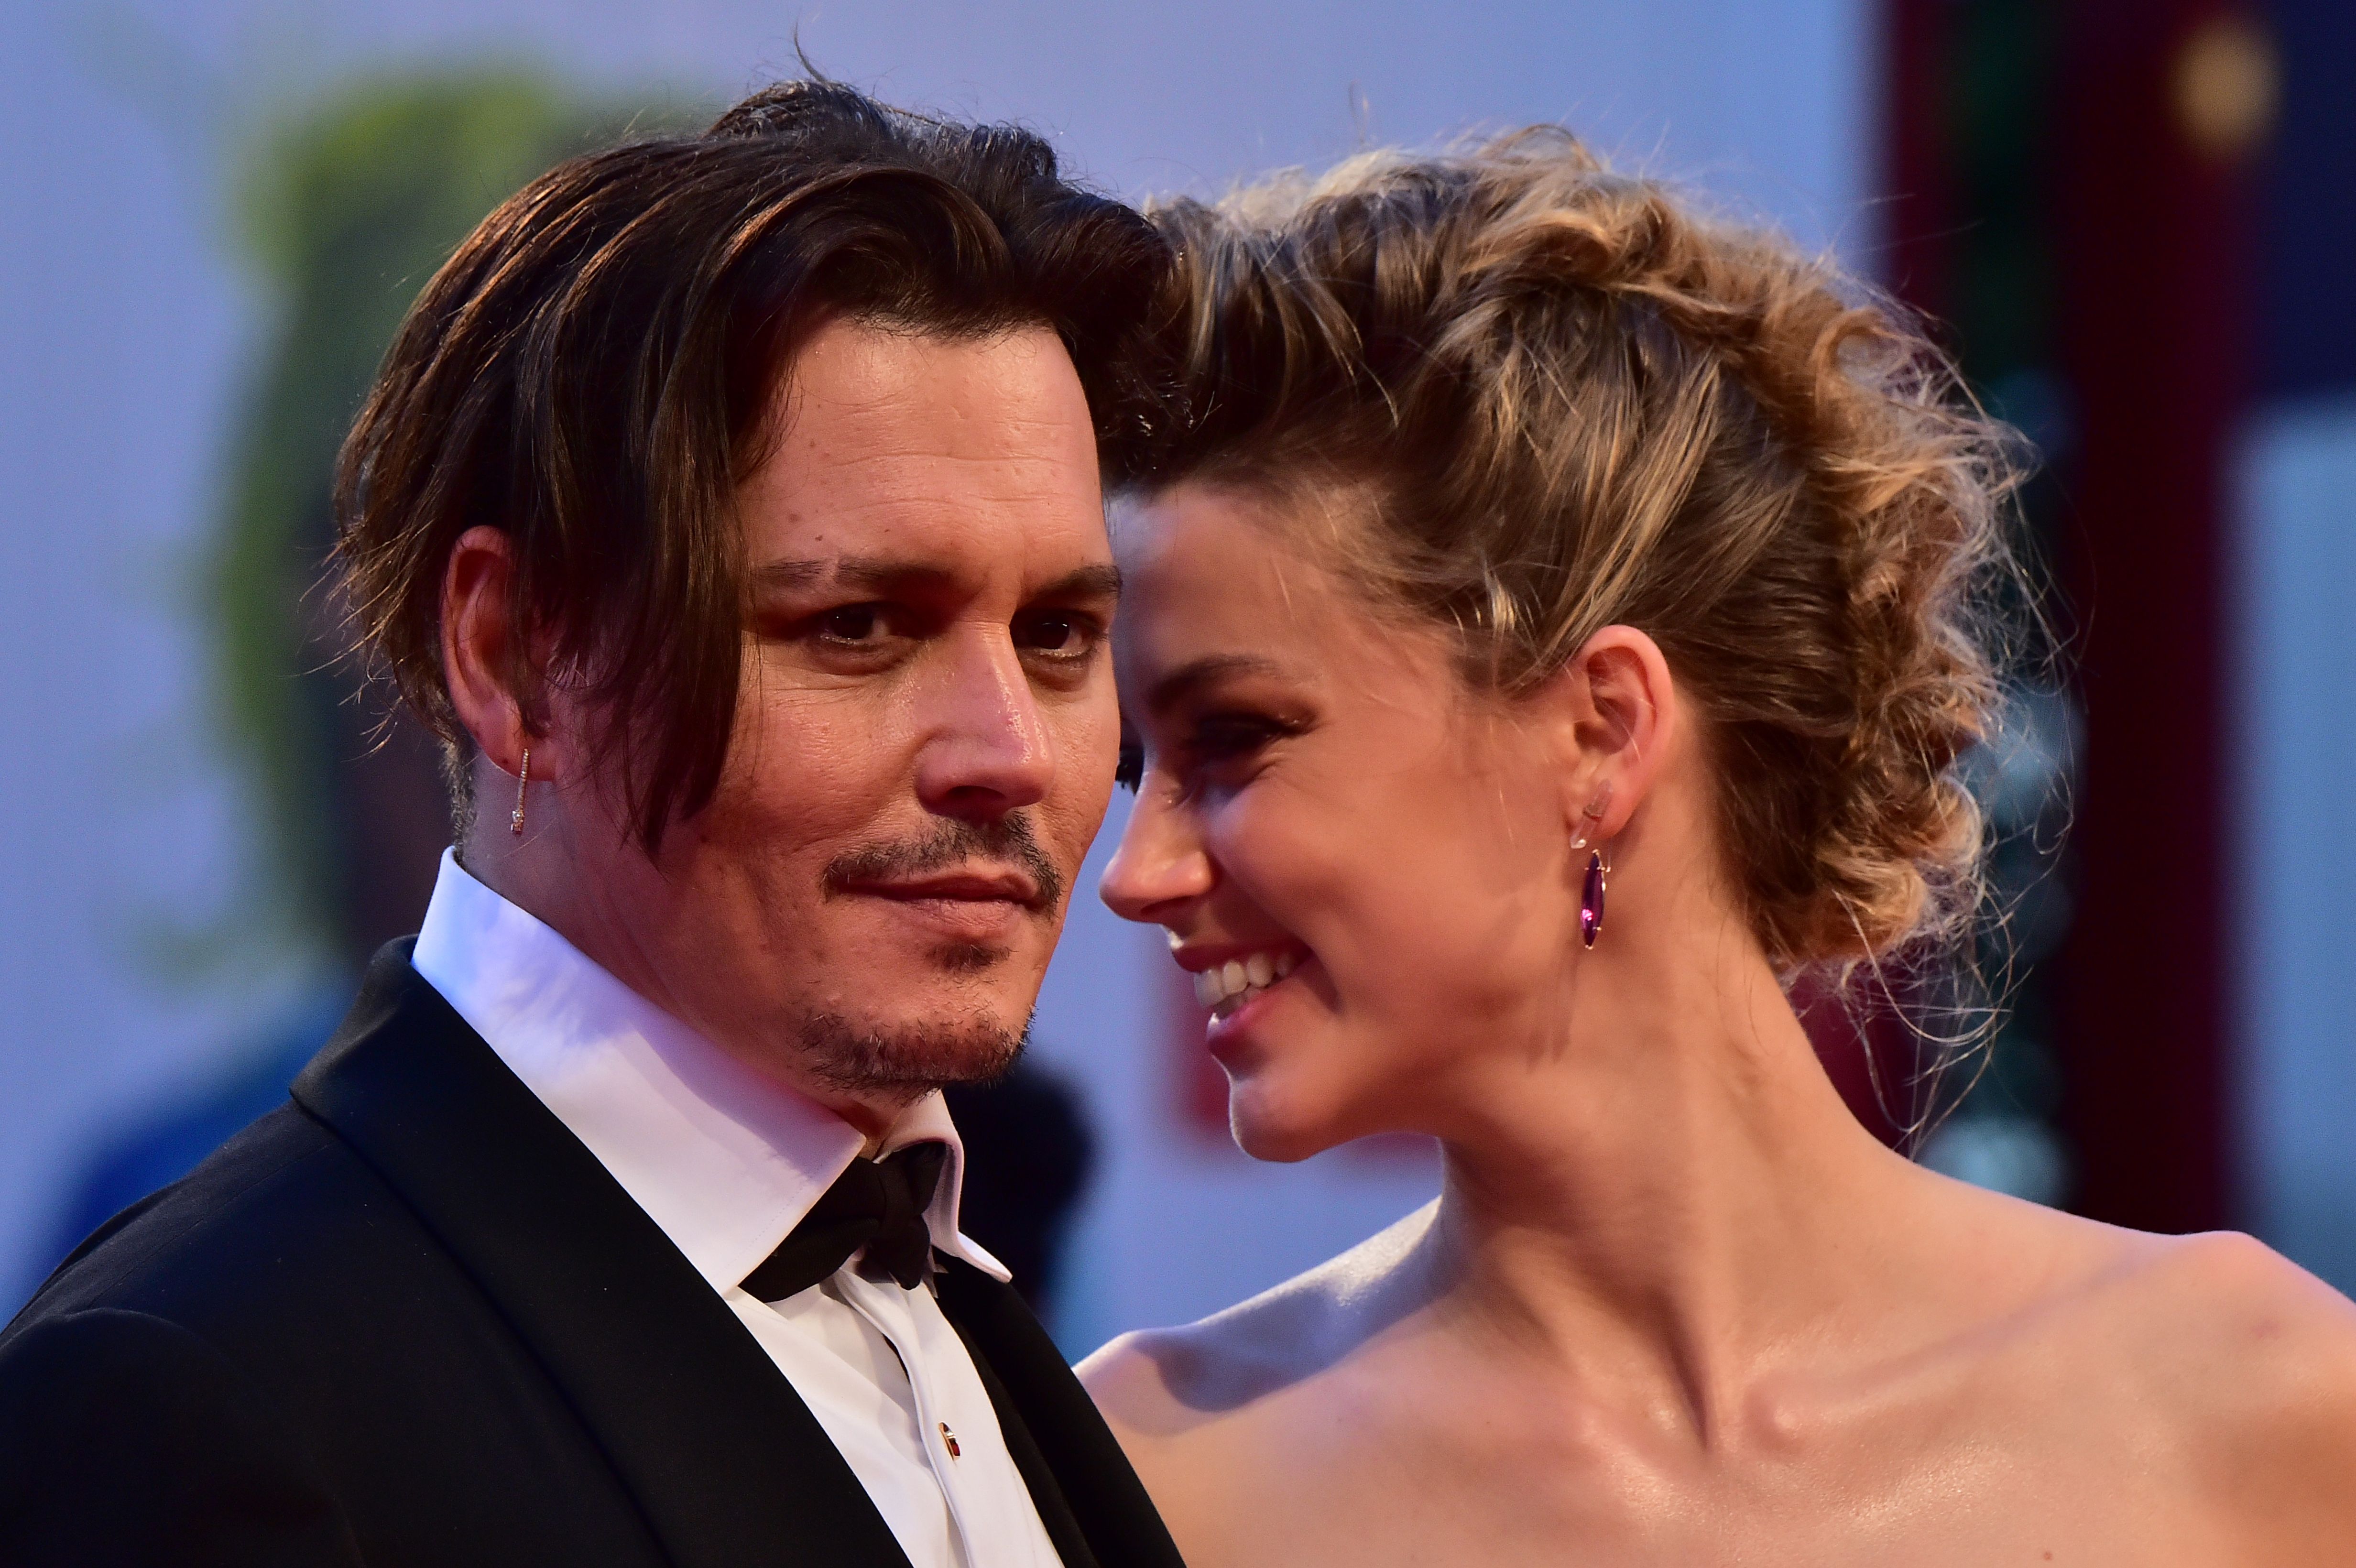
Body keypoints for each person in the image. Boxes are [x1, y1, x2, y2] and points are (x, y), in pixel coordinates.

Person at [1080, 132, 2356, 1564]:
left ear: (1601, 733)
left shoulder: (2255, 1408)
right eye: (1139, 768)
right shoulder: (1142, 1480)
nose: (1137, 874)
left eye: (1236, 739)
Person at [0, 82, 1183, 1568]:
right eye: (862, 624)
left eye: (1062, 635)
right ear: (512, 659)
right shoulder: (195, 1395)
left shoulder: (973, 1319)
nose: (1011, 753)